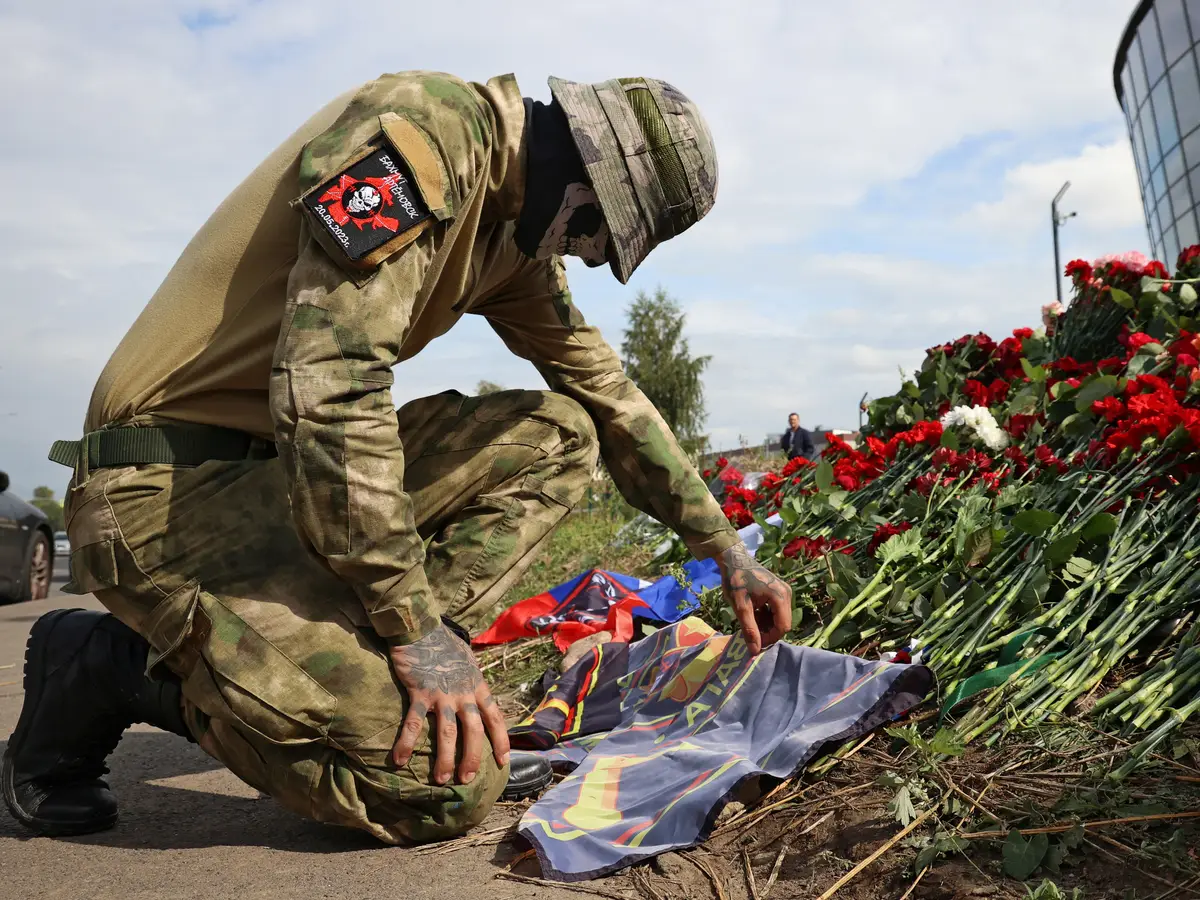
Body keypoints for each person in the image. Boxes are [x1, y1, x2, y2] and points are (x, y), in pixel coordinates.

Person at [3, 71, 793, 845]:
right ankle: (111, 665)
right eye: (599, 244)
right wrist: (416, 629)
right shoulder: (423, 136)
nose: (586, 260)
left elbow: (605, 392)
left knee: (557, 435)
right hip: (163, 495)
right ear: (584, 191)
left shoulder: (511, 242)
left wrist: (723, 549)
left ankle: (391, 680)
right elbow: (333, 387)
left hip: (276, 482)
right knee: (440, 789)